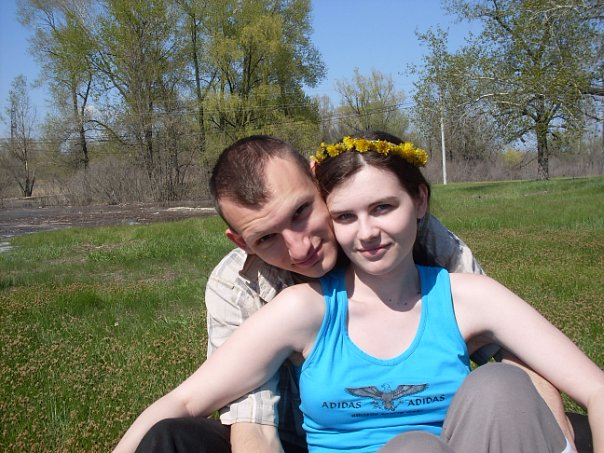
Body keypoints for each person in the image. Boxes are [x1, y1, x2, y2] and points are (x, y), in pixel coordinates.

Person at [113, 132, 603, 452]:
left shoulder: (446, 265)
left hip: (460, 432)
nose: (300, 247)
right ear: (241, 242)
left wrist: (555, 432)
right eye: (346, 216)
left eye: (302, 213)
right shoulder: (269, 298)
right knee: (169, 439)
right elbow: (239, 416)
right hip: (293, 435)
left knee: (500, 392)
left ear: (319, 182)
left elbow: (526, 366)